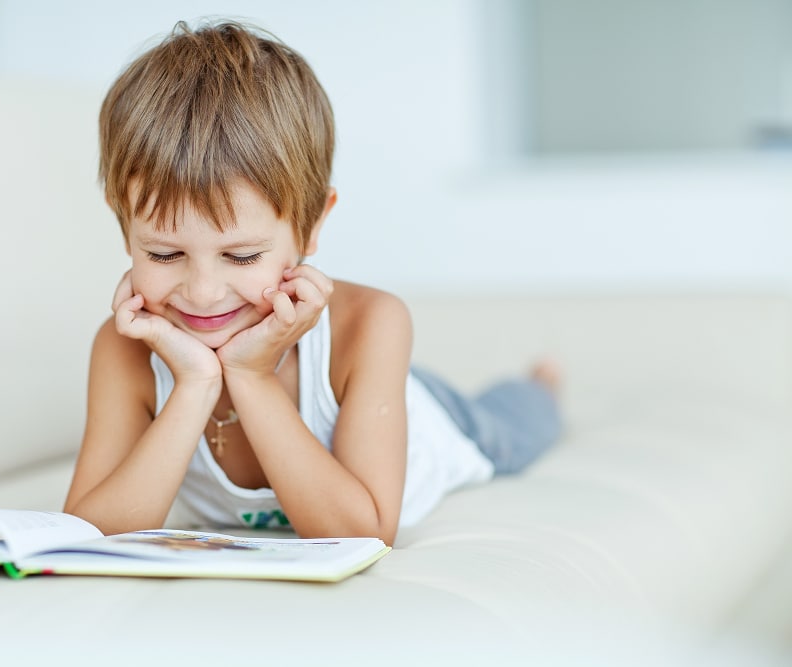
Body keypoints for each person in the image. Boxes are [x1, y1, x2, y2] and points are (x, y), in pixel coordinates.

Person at [64, 20, 561, 545]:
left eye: (242, 255)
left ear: (314, 223)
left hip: (438, 419)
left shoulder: (371, 324)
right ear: (124, 226)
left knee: (514, 421)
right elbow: (88, 533)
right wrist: (195, 384)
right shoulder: (127, 350)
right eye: (164, 254)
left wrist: (250, 377)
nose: (203, 291)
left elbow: (361, 532)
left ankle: (542, 384)